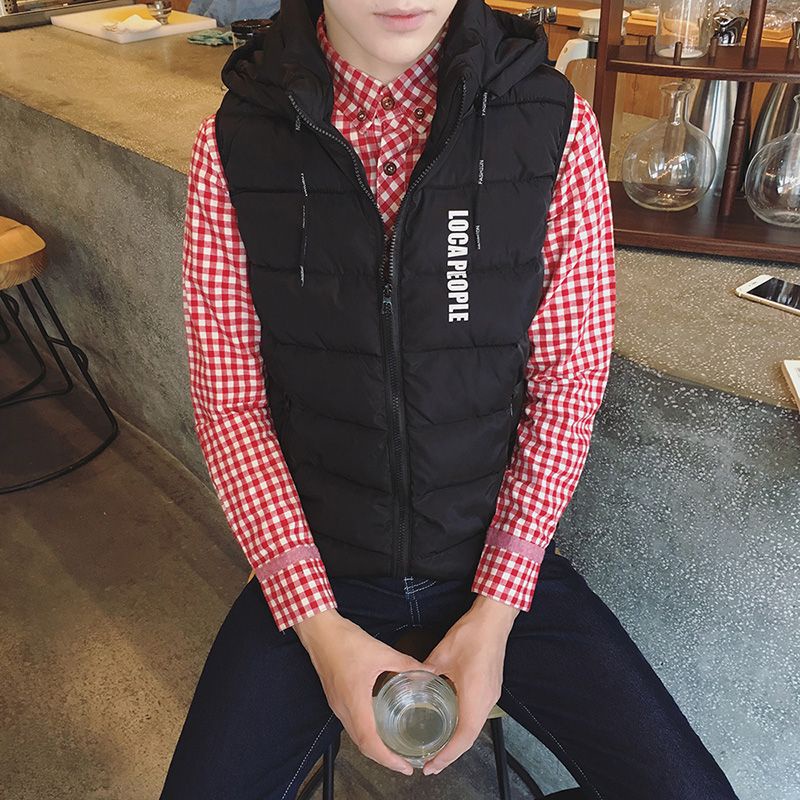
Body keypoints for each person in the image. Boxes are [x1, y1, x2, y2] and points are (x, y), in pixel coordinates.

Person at [160, 1, 741, 798]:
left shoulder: (552, 124)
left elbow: (567, 383)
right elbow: (231, 405)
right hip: (318, 569)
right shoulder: (233, 141)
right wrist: (320, 630)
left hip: (497, 562)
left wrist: (495, 611)